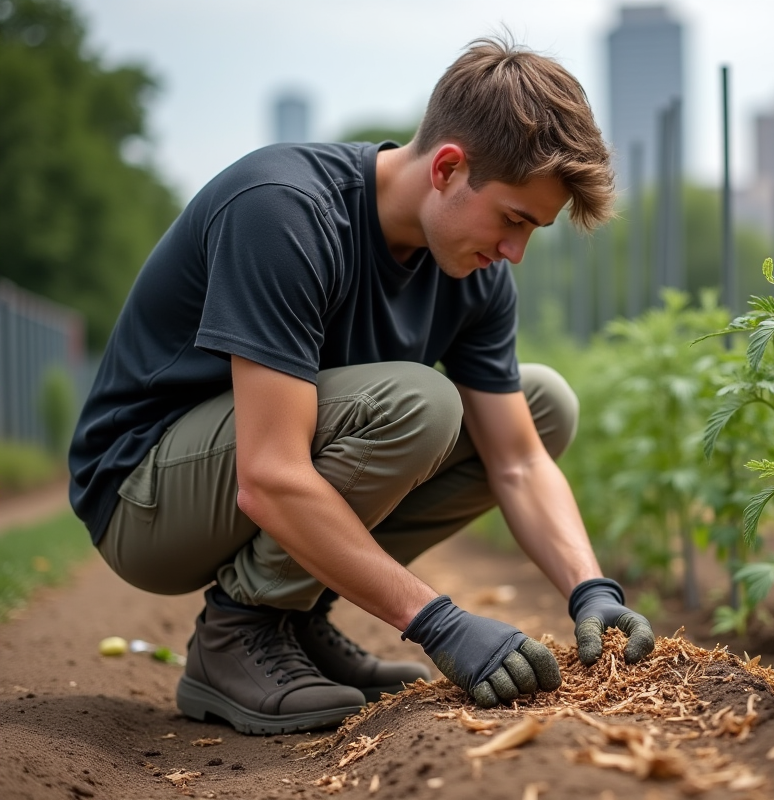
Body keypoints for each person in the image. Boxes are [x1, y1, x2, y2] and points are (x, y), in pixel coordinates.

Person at [67, 37, 655, 736]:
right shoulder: (285, 212)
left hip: (239, 482)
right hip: (145, 497)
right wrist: (439, 623)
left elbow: (520, 461)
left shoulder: (478, 276)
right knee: (422, 404)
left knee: (543, 405)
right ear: (447, 167)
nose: (515, 252)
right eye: (512, 219)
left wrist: (592, 591)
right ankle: (236, 636)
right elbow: (269, 476)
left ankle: (290, 618)